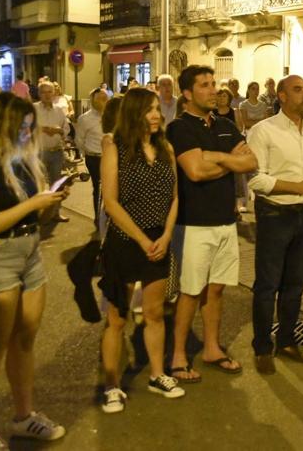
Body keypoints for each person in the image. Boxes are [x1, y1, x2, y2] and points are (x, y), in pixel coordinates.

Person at [0, 93, 68, 449]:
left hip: (29, 252)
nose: (28, 133)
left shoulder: (25, 161)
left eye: (30, 126)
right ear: (1, 126)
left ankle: (23, 416)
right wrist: (34, 202)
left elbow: (29, 215)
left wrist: (49, 202)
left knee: (25, 339)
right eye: (21, 127)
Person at [166, 65, 257, 382]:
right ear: (187, 93)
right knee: (190, 291)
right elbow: (194, 172)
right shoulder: (179, 128)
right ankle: (178, 355)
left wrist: (214, 157)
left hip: (225, 222)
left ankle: (212, 348)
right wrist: (229, 162)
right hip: (194, 224)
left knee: (216, 290)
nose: (213, 89)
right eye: (204, 85)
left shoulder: (224, 124)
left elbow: (251, 161)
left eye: (213, 83)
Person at [98, 87, 183, 413]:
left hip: (159, 241)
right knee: (117, 319)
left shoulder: (166, 148)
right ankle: (112, 385)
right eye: (149, 109)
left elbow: (175, 198)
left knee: (154, 314)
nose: (156, 115)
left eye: (157, 109)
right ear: (134, 113)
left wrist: (164, 236)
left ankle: (157, 374)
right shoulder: (115, 148)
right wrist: (143, 240)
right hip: (125, 242)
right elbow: (111, 203)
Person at [247, 75, 303, 375]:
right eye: (297, 90)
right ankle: (261, 346)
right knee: (268, 285)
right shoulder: (263, 130)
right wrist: (299, 187)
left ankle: (286, 340)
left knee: (295, 285)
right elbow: (256, 179)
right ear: (281, 96)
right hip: (274, 214)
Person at [34, 81, 70, 222]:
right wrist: (42, 129)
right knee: (39, 184)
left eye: (50, 92)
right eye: (44, 92)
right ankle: (39, 214)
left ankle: (55, 213)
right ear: (39, 94)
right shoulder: (33, 109)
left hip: (56, 152)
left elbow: (66, 129)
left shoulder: (59, 110)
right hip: (39, 152)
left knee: (57, 184)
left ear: (54, 93)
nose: (47, 95)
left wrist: (58, 130)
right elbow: (25, 128)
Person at [75, 87, 108, 224]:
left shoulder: (112, 116)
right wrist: (87, 153)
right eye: (100, 98)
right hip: (94, 158)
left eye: (105, 98)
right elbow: (79, 140)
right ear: (93, 100)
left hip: (110, 157)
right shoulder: (85, 119)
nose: (104, 101)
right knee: (99, 187)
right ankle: (98, 218)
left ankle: (109, 216)